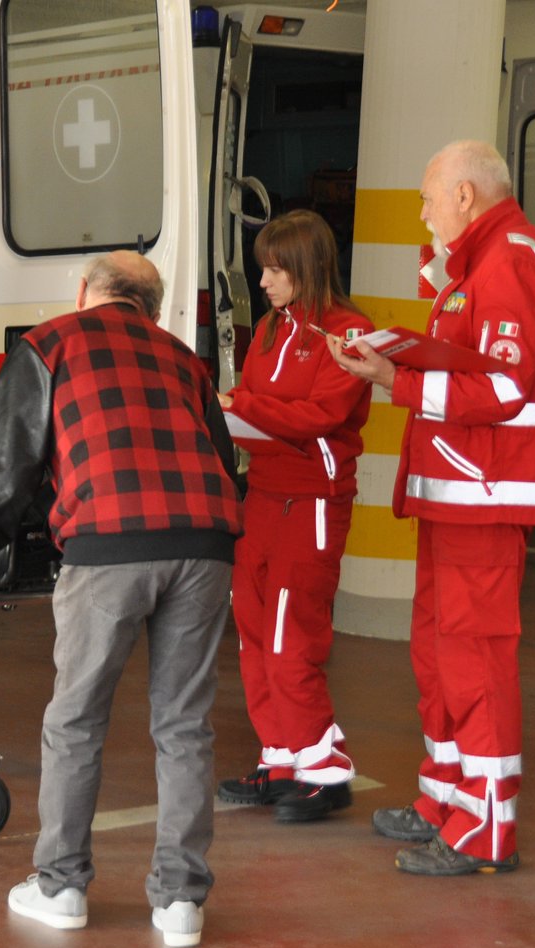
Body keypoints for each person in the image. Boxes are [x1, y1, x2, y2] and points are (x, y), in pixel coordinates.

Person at [0, 251, 242, 947]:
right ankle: (181, 903)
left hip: (111, 541)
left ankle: (60, 886)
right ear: (152, 305)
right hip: (206, 542)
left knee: (78, 718)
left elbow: (1, 470)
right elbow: (222, 459)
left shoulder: (51, 343)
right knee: (184, 724)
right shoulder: (186, 359)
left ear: (85, 290)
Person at [331, 140, 535, 876]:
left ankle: (485, 828)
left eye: (430, 198)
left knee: (475, 655)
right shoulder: (479, 265)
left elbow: (503, 390)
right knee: (440, 652)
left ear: (465, 195)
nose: (424, 211)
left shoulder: (511, 263)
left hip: (487, 493)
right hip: (460, 491)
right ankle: (445, 798)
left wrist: (391, 379)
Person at [213, 209, 373, 823]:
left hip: (312, 502)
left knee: (288, 634)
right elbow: (269, 411)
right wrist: (236, 411)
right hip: (263, 496)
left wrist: (241, 406)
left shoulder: (348, 332)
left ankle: (324, 767)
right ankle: (281, 757)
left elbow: (320, 415)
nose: (265, 281)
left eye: (275, 270)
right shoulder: (271, 330)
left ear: (306, 267)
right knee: (252, 625)